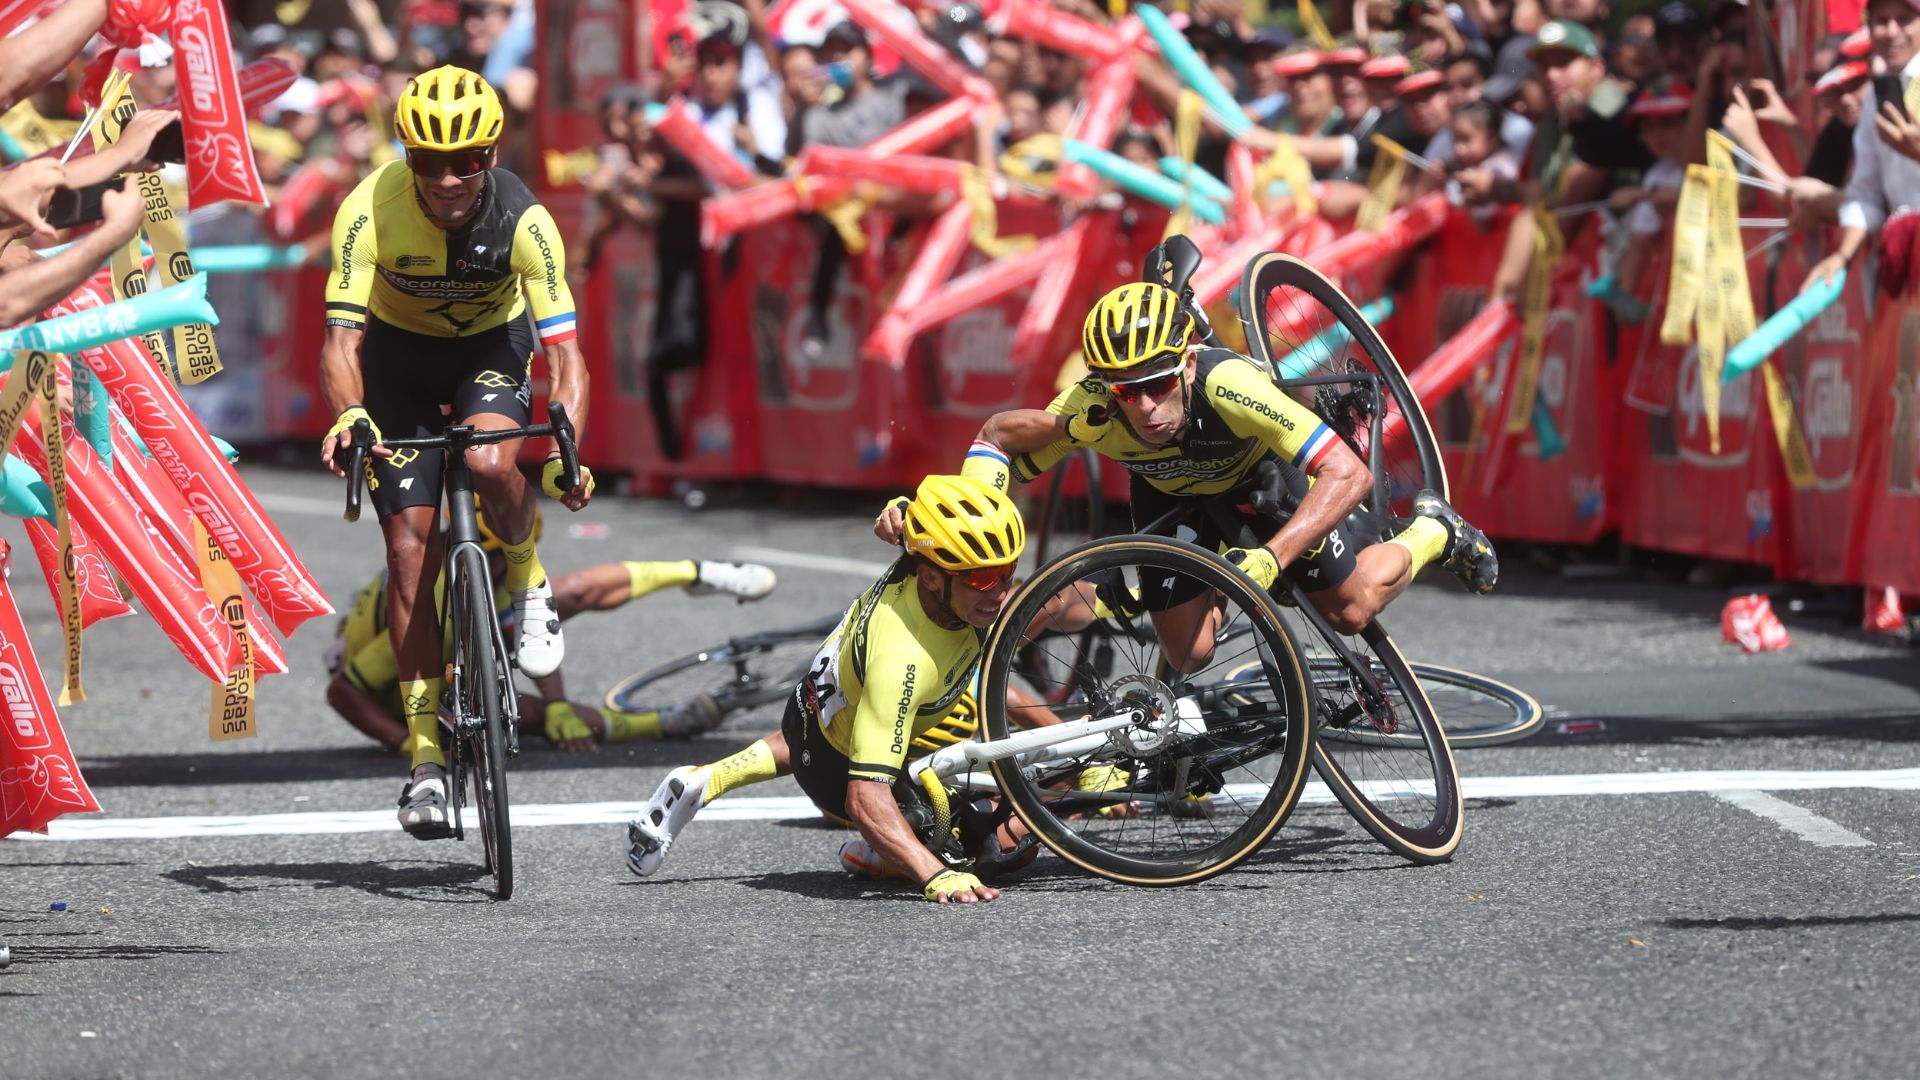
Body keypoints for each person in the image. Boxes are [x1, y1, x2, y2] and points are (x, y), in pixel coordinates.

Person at [881, 280, 1499, 676]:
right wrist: (953, 523)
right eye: (1128, 392)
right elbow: (996, 439)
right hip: (1172, 495)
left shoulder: (1226, 385)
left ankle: (1433, 533)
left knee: (1352, 610)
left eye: (1156, 385)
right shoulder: (1092, 410)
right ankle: (1223, 570)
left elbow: (1347, 471)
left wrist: (1274, 559)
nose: (1145, 408)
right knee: (1190, 654)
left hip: (1261, 479)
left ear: (1182, 364)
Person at [318, 66, 595, 838]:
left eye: (466, 161)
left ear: (491, 153)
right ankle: (424, 760)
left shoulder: (526, 221)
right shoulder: (366, 211)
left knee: (488, 460)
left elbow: (566, 357)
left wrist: (567, 438)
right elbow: (342, 343)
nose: (446, 179)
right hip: (399, 363)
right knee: (410, 550)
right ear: (405, 155)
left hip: (490, 351)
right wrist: (350, 416)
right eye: (427, 161)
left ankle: (526, 580)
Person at [626, 476, 1027, 905]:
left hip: (820, 701)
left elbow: (925, 513)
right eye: (983, 580)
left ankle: (704, 781)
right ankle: (877, 855)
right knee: (998, 843)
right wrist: (934, 875)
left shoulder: (930, 557)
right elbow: (864, 797)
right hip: (835, 764)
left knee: (817, 733)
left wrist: (900, 508)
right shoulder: (902, 664)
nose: (1001, 591)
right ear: (930, 578)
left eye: (1008, 573)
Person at [325, 504, 778, 752]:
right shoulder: (437, 596)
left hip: (455, 646)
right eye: (510, 555)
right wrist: (403, 739)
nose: (513, 563)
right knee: (527, 713)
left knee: (560, 594)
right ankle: (661, 724)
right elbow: (342, 692)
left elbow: (535, 624)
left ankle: (694, 572)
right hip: (397, 692)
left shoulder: (480, 565)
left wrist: (561, 702)